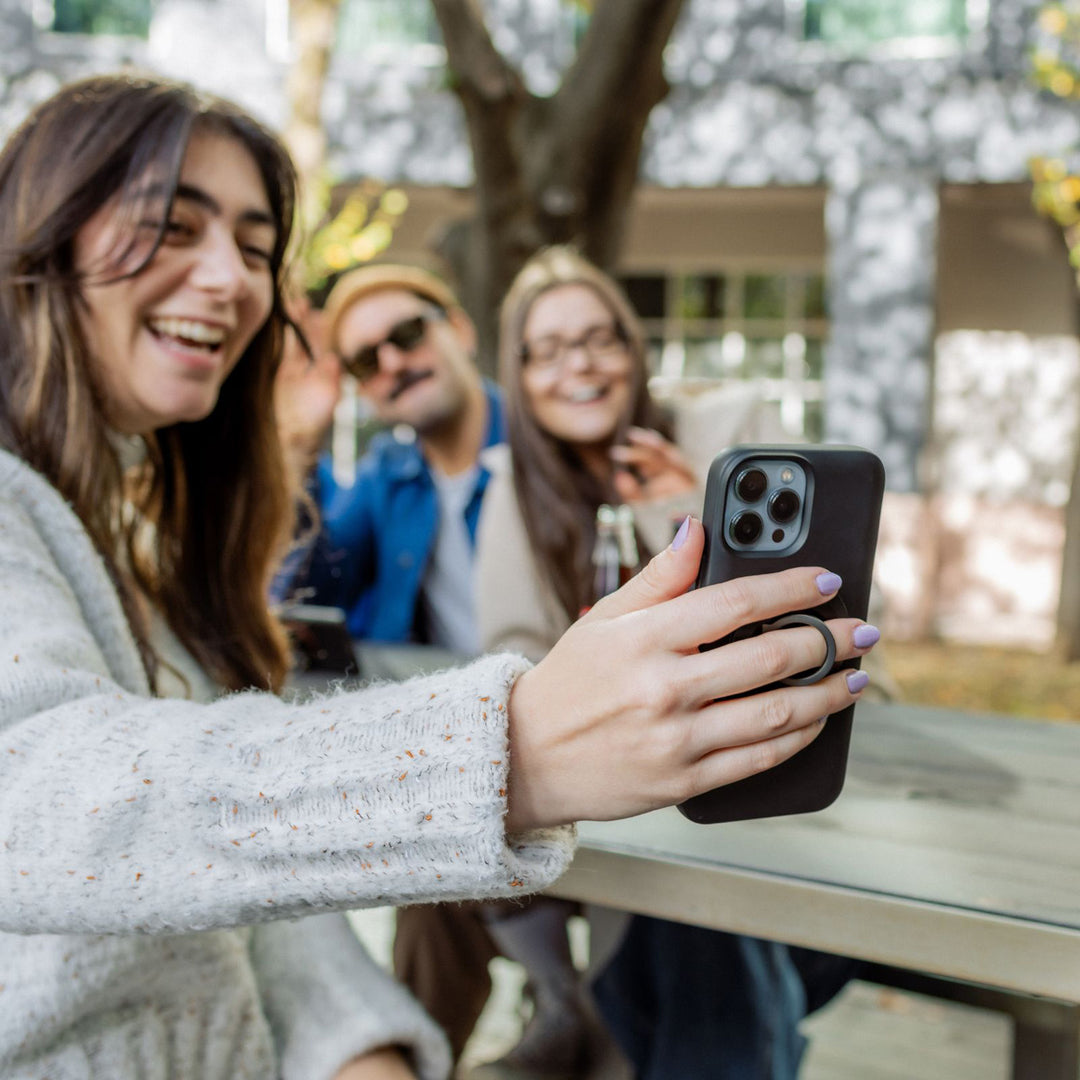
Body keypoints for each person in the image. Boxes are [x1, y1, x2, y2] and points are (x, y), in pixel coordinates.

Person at [0, 73, 879, 1080]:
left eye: (252, 246)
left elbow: (225, 906)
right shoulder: (396, 480)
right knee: (470, 919)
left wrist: (363, 1048)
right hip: (498, 812)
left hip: (639, 805)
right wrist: (512, 745)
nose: (232, 281)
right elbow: (55, 780)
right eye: (173, 228)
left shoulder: (134, 524)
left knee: (691, 950)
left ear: (467, 338)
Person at [476, 246, 873, 1079]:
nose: (578, 364)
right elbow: (510, 656)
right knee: (686, 920)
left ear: (633, 350)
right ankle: (572, 1005)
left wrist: (682, 511)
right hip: (631, 788)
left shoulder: (722, 437)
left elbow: (825, 611)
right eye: (546, 350)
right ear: (517, 373)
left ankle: (576, 1016)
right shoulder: (514, 483)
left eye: (599, 338)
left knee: (699, 911)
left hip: (776, 777)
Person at [273, 261, 500, 654]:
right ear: (360, 390)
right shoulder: (383, 476)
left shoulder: (548, 449)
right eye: (366, 362)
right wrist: (302, 442)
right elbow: (303, 601)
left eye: (408, 334)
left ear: (460, 331)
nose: (393, 364)